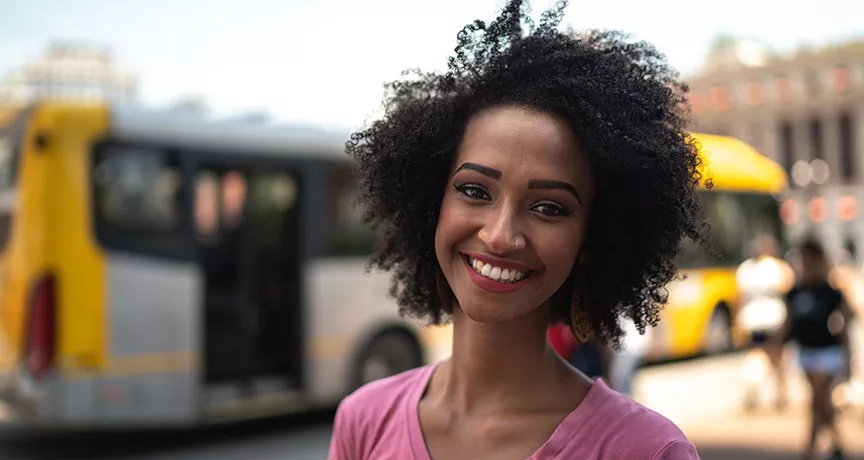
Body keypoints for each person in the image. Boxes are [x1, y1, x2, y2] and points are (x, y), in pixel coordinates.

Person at [329, 1, 705, 458]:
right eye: (474, 190)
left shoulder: (647, 450)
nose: (499, 235)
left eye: (549, 207)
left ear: (592, 237)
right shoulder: (364, 420)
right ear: (431, 201)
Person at [772, 239, 854, 460]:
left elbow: (847, 319)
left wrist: (848, 352)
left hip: (828, 352)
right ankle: (837, 445)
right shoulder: (794, 292)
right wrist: (777, 342)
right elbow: (788, 322)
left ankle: (809, 447)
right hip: (806, 352)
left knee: (817, 398)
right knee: (823, 402)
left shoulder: (830, 291)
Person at [735, 234, 794, 412]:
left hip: (752, 319)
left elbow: (739, 297)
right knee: (777, 359)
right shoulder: (777, 266)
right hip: (774, 318)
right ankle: (781, 396)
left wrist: (737, 322)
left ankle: (754, 396)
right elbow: (788, 287)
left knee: (756, 354)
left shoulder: (745, 269)